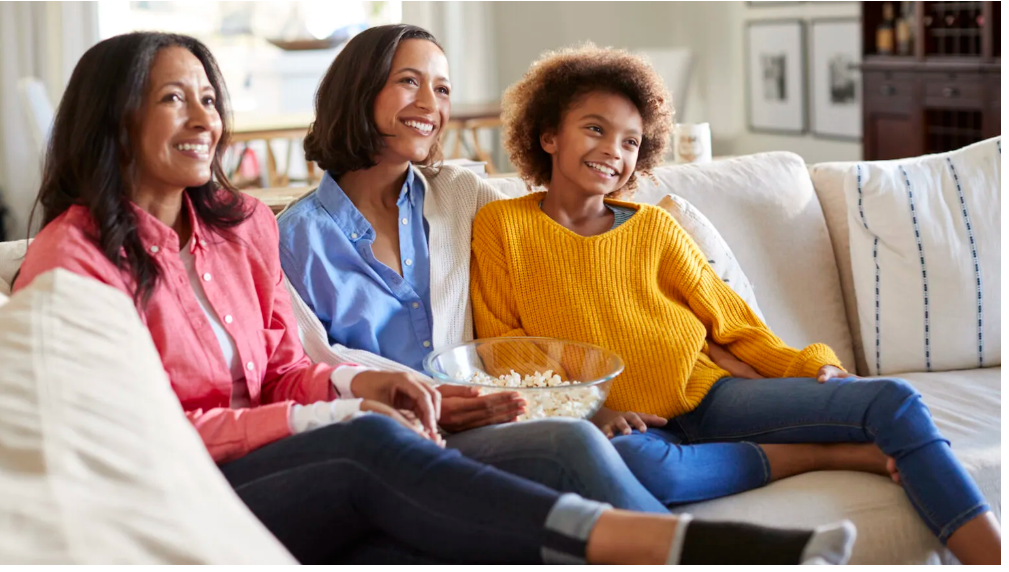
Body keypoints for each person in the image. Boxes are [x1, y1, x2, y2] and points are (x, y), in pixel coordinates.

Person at [13, 31, 858, 565]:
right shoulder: (71, 263)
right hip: (204, 478)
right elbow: (142, 434)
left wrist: (357, 387)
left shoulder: (238, 229)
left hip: (390, 434)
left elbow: (282, 364)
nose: (203, 117)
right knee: (365, 453)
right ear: (112, 117)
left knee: (509, 476)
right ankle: (667, 548)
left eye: (208, 97)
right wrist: (332, 415)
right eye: (172, 98)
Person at [470, 43, 1001, 565]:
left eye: (631, 141)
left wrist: (809, 364)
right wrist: (593, 409)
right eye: (595, 128)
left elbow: (733, 322)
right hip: (626, 425)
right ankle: (819, 456)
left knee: (893, 401)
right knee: (650, 473)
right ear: (547, 136)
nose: (614, 149)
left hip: (710, 396)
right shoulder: (501, 225)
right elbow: (507, 348)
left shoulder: (654, 228)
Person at [277, 23, 770, 516]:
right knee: (583, 450)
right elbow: (313, 366)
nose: (431, 103)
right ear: (360, 91)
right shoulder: (291, 240)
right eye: (410, 81)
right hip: (402, 434)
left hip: (505, 416)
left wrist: (707, 334)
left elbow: (553, 244)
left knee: (620, 455)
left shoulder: (460, 195)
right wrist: (435, 398)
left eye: (443, 88)